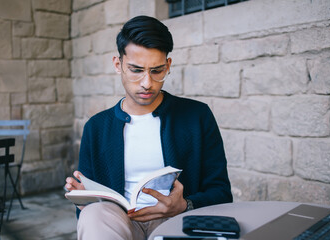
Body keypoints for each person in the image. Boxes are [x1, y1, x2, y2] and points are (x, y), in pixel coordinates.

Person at [65, 15, 233, 240]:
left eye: (157, 71)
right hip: (118, 223)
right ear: (118, 65)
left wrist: (185, 205)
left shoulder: (197, 116)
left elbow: (221, 193)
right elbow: (88, 209)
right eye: (136, 70)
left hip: (177, 221)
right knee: (94, 215)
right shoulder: (96, 127)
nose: (147, 83)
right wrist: (84, 201)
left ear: (168, 65)